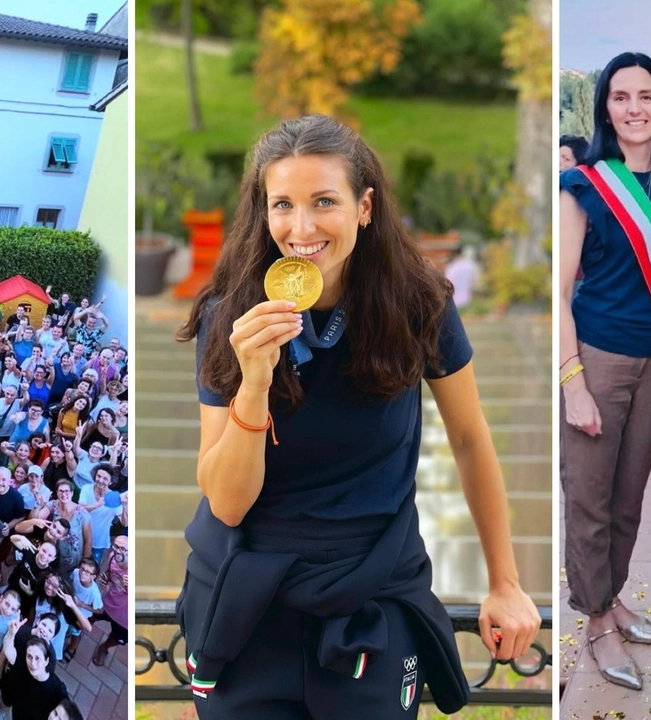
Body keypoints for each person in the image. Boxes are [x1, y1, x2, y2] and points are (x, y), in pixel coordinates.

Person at [175, 114, 539, 717]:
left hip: (370, 585)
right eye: (282, 204)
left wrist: (504, 581)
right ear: (264, 212)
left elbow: (471, 440)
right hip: (246, 592)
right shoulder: (230, 314)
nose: (301, 227)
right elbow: (228, 503)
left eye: (324, 202)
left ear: (364, 207)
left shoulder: (419, 302)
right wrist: (254, 384)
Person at [558, 52, 651, 691]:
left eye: (645, 96)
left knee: (629, 499)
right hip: (599, 361)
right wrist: (571, 381)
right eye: (620, 96)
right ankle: (595, 621)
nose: (634, 108)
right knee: (589, 499)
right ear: (605, 108)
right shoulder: (584, 184)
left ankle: (613, 598)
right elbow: (557, 292)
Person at [0, 632, 69, 720]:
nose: (33, 663)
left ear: (46, 661)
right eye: (29, 657)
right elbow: (8, 650)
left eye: (37, 658)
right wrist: (11, 634)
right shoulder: (24, 670)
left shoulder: (57, 689)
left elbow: (68, 712)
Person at [89, 534, 128, 668]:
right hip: (108, 602)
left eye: (123, 549)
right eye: (116, 546)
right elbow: (109, 573)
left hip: (125, 618)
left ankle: (104, 648)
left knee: (117, 638)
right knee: (91, 616)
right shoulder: (113, 557)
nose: (118, 551)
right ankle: (77, 630)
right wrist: (105, 578)